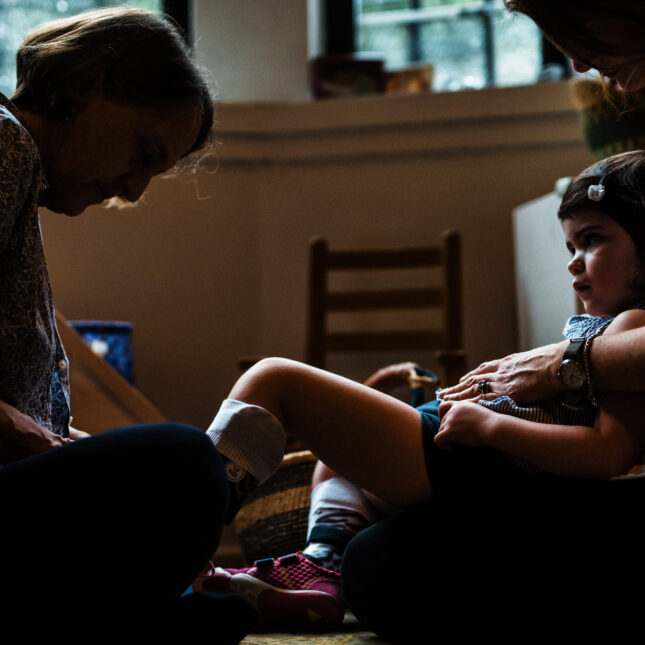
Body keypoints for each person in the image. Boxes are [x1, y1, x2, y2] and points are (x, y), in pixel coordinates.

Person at [197, 150, 645, 638]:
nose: (574, 263)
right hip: (470, 450)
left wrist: (491, 425)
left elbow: (610, 451)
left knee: (274, 380)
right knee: (333, 460)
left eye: (593, 240)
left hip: (477, 458)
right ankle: (321, 566)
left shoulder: (633, 323)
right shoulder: (612, 325)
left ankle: (184, 537)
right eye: (570, 247)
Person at [0, 8, 271, 641]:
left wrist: (61, 444)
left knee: (169, 486)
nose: (136, 188)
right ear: (83, 83)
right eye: (143, 153)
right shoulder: (4, 145)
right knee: (183, 463)